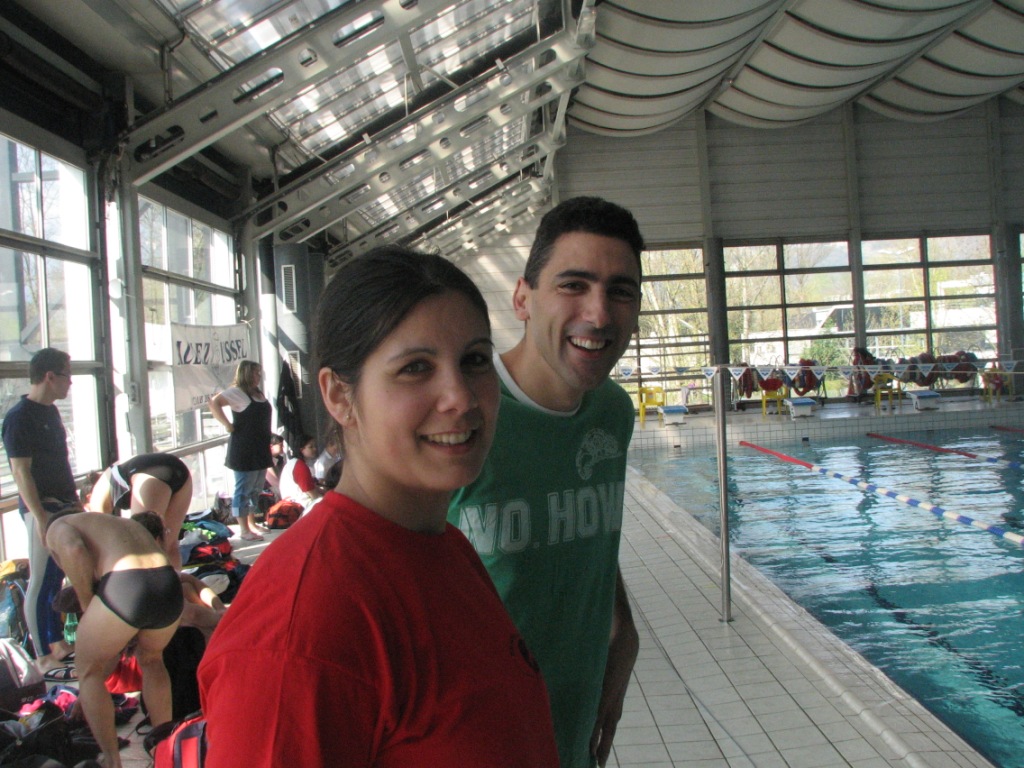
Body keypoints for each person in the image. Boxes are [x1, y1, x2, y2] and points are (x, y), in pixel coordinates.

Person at [199, 245, 558, 767]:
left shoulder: (443, 545)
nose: (461, 397)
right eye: (415, 368)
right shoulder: (300, 629)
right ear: (339, 397)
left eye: (475, 360)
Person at [448, 196, 643, 768]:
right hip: (471, 734)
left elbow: (581, 530)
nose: (599, 314)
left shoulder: (612, 412)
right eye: (573, 285)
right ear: (522, 299)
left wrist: (624, 626)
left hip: (572, 720)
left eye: (620, 291)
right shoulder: (460, 417)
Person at [43, 505, 183, 768]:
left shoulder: (56, 528)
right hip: (167, 583)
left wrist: (86, 602)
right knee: (153, 660)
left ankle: (112, 762)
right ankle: (166, 753)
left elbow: (73, 549)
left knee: (88, 671)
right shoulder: (112, 523)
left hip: (127, 582)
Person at [1, 347, 76, 673]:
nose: (70, 382)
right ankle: (42, 655)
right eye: (67, 375)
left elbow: (60, 464)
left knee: (57, 576)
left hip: (64, 504)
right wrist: (41, 517)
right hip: (41, 508)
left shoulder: (51, 413)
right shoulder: (19, 418)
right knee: (42, 578)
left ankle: (56, 642)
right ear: (49, 376)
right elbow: (21, 473)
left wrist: (75, 501)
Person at [84, 453, 193, 569]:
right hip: (178, 468)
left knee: (143, 544)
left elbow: (102, 541)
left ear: (88, 498)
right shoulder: (111, 474)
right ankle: (176, 578)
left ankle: (158, 580)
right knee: (170, 544)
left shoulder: (95, 497)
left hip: (150, 473)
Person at [208, 360, 273, 541]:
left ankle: (252, 523)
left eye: (259, 373)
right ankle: (243, 529)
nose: (258, 376)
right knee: (243, 488)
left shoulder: (257, 393)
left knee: (256, 488)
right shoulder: (236, 392)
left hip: (260, 447)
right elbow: (214, 403)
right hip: (244, 449)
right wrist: (227, 425)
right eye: (255, 373)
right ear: (246, 374)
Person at [277, 433, 322, 510]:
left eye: (315, 446)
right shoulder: (299, 466)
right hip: (300, 506)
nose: (315, 449)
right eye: (311, 447)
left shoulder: (294, 463)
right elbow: (313, 494)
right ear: (301, 450)